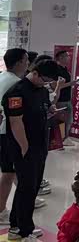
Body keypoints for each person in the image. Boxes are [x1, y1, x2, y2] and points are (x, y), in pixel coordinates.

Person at [3, 59, 59, 240]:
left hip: (39, 145)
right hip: (23, 147)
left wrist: (50, 110)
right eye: (44, 79)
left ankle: (18, 226)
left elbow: (43, 109)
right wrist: (24, 147)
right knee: (26, 188)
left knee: (32, 187)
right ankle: (22, 230)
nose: (45, 83)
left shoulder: (41, 90)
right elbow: (15, 122)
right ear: (34, 73)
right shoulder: (17, 92)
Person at [0, 49, 29, 224]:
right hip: (8, 133)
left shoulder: (2, 77)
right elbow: (16, 119)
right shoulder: (17, 84)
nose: (28, 64)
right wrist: (24, 144)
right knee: (8, 173)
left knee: (11, 171)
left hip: (3, 131)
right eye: (26, 60)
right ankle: (1, 211)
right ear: (18, 63)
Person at [54, 50, 79, 147]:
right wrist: (71, 83)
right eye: (66, 56)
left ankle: (65, 138)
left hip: (67, 99)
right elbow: (57, 86)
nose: (69, 58)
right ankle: (60, 139)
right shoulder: (57, 70)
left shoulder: (65, 69)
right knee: (61, 121)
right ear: (60, 58)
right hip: (60, 100)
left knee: (68, 121)